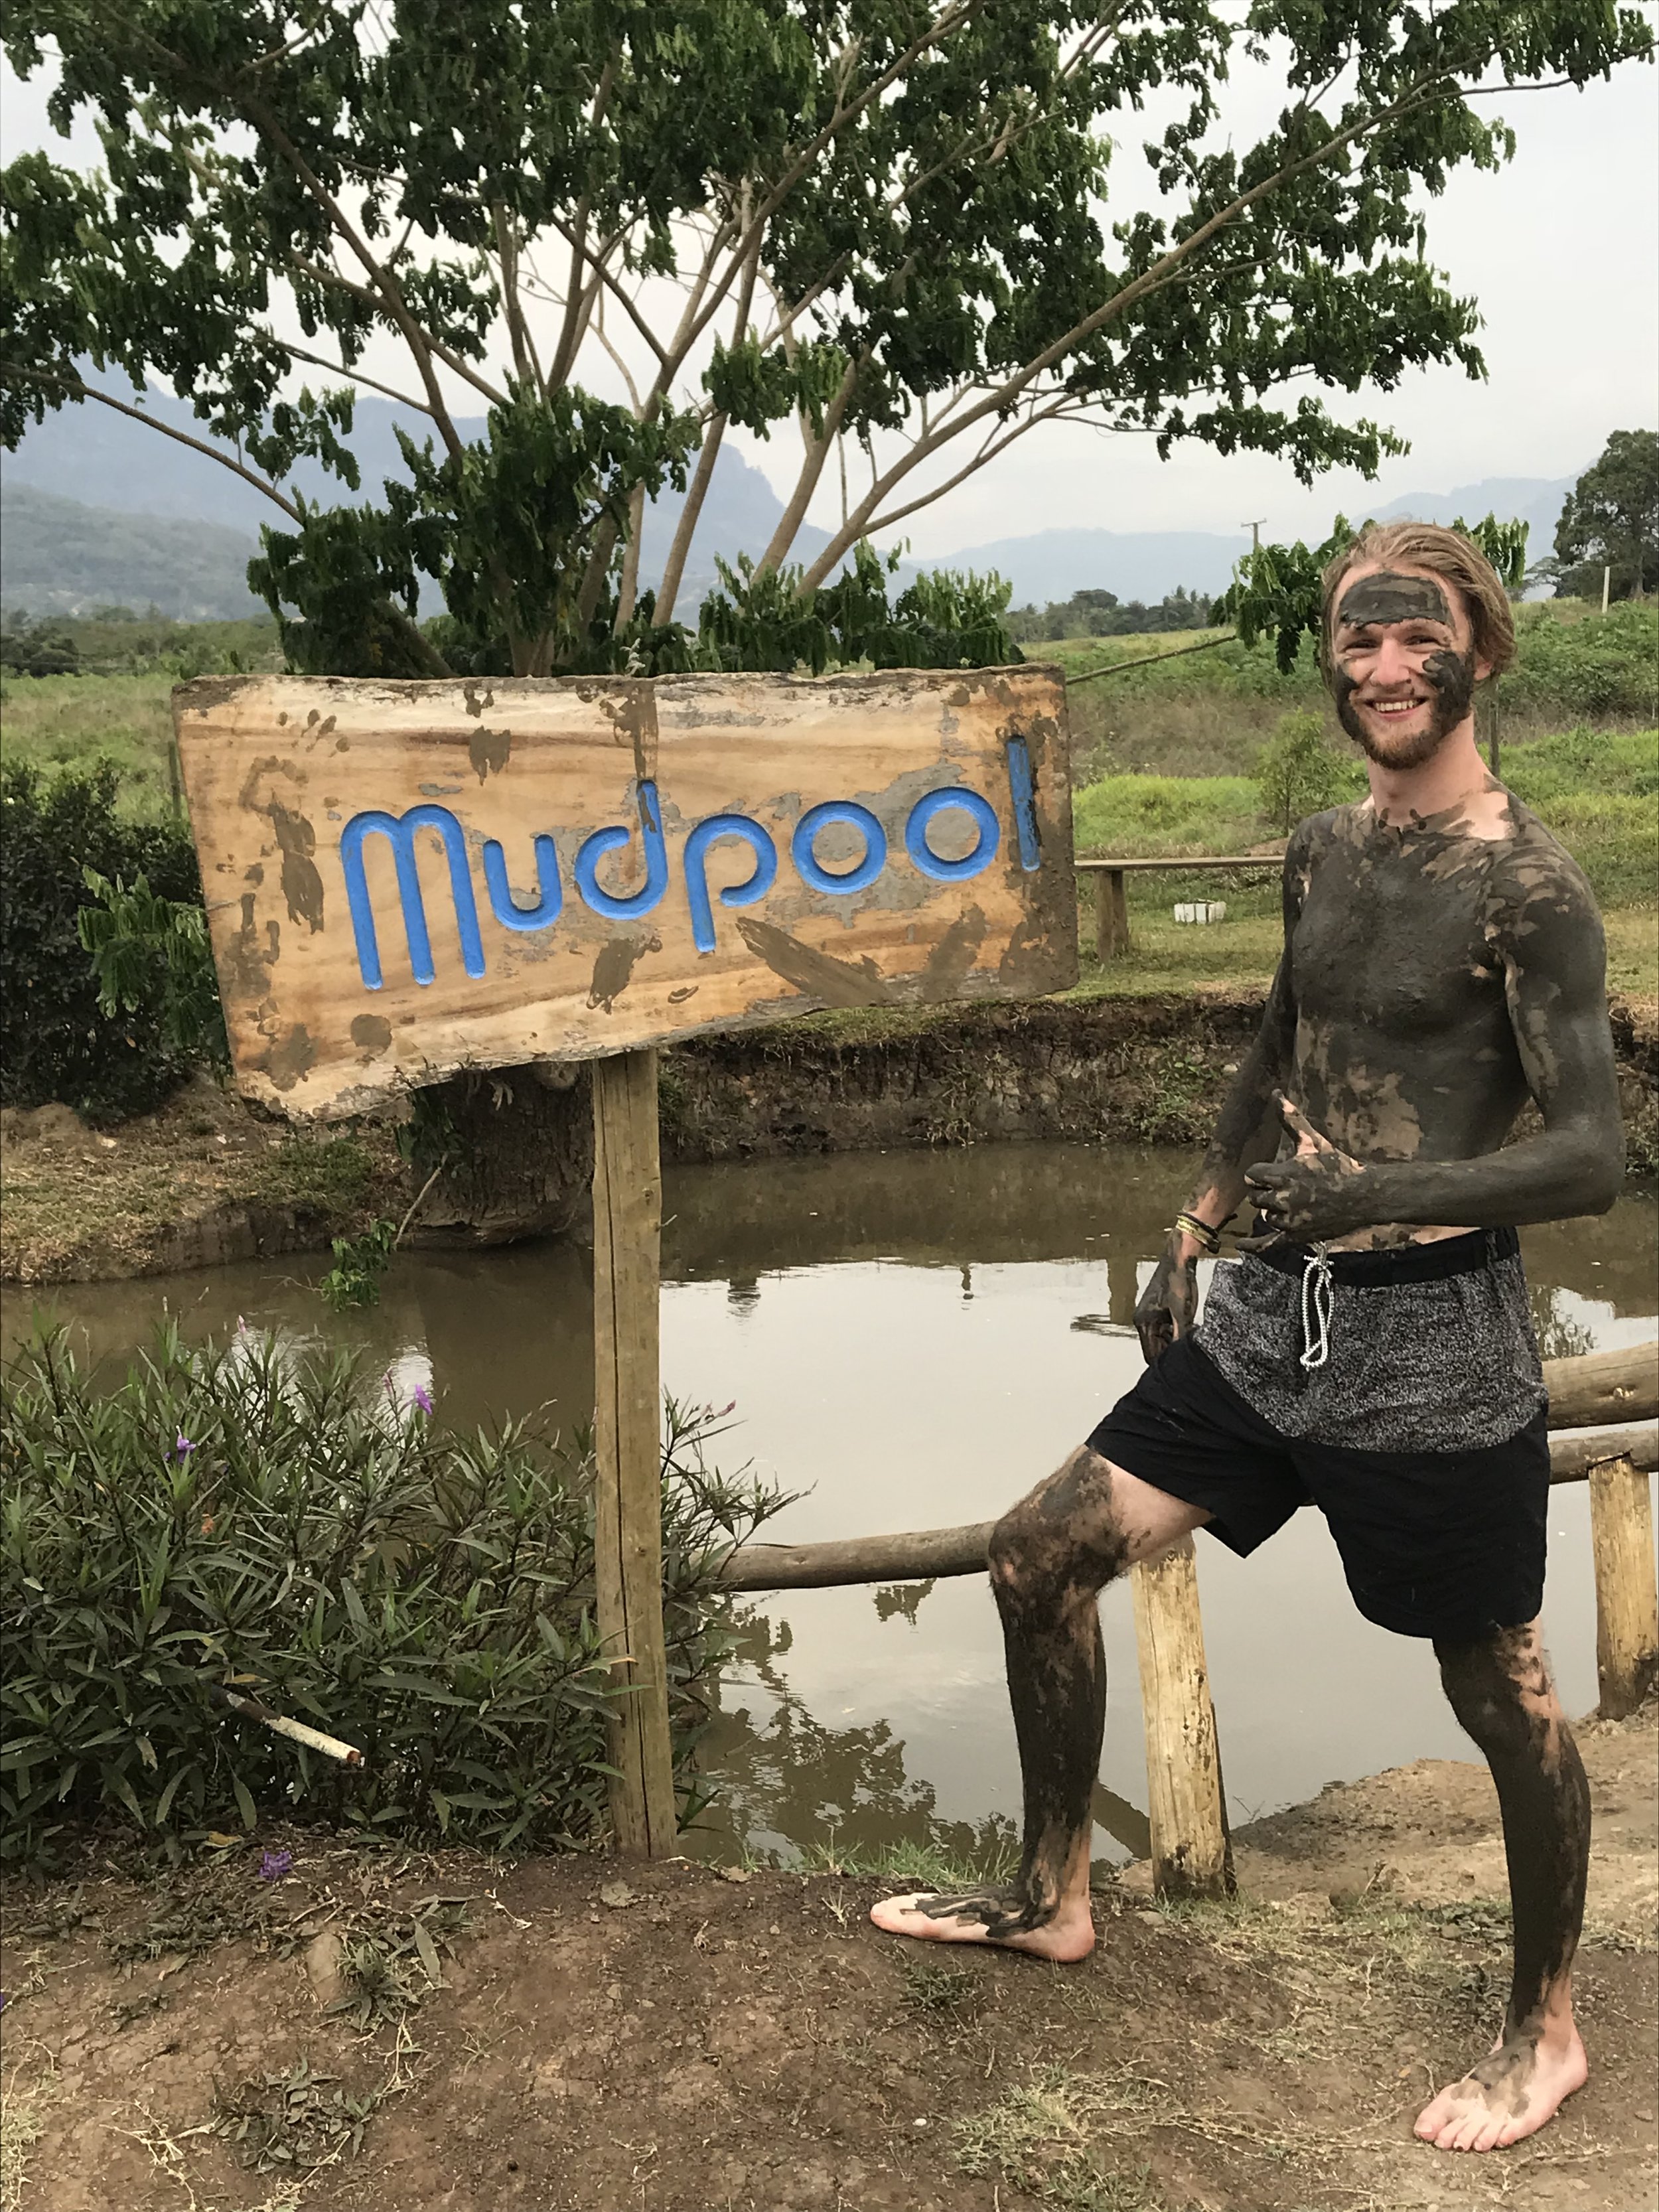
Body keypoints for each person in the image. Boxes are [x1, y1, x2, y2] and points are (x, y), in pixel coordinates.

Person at [870, 522, 1624, 2156]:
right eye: (1352, 642)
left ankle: (1543, 2027)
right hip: (1264, 1323)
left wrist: (1371, 1195)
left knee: (1496, 1689)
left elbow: (1589, 1155)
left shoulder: (1530, 887)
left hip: (1431, 1335)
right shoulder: (1317, 849)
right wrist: (1202, 1210)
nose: (1377, 669)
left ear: (1477, 653)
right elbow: (1282, 1032)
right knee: (1031, 1554)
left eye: (1410, 639)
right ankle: (1048, 1889)